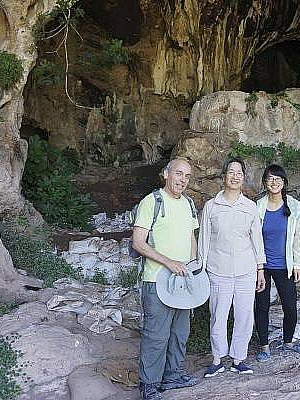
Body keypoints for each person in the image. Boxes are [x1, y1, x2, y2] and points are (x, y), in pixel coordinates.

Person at [132, 158, 200, 400]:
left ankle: (173, 375)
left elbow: (191, 237)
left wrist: (193, 265)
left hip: (182, 280)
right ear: (166, 174)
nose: (183, 180)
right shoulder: (151, 202)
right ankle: (149, 384)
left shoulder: (189, 204)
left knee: (180, 332)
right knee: (156, 334)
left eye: (187, 176)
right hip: (157, 279)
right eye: (179, 174)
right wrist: (169, 262)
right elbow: (138, 243)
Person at [198, 157, 266, 377]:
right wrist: (201, 268)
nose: (235, 176)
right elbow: (204, 240)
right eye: (231, 172)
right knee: (218, 315)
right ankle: (217, 359)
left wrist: (260, 269)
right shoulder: (211, 206)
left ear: (244, 178)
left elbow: (257, 240)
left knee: (245, 315)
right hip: (218, 271)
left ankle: (239, 359)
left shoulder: (250, 207)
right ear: (224, 177)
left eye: (239, 173)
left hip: (246, 271)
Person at [254, 164, 300, 362]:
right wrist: (256, 265)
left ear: (284, 182)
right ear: (265, 183)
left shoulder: (293, 205)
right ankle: (264, 346)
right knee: (261, 307)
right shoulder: (258, 206)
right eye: (270, 179)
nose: (274, 182)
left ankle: (288, 342)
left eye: (278, 178)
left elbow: (298, 236)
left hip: (285, 264)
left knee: (290, 307)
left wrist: (297, 263)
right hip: (262, 266)